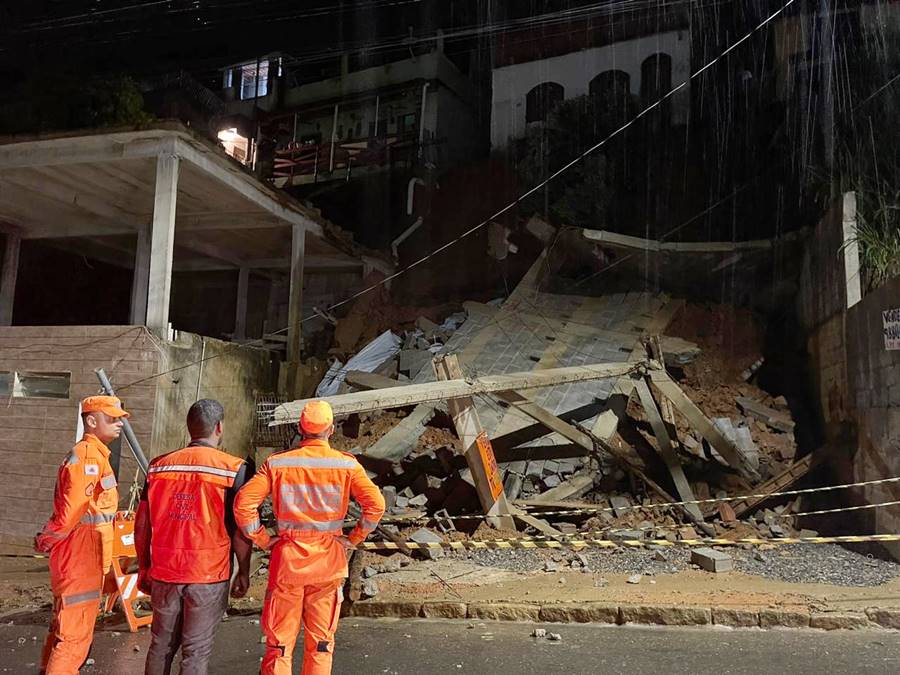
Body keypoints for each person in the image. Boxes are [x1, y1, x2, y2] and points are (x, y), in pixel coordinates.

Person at [234, 400, 385, 675]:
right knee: (321, 644)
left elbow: (243, 504)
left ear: (300, 429)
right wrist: (354, 538)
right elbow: (376, 506)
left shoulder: (277, 464)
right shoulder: (346, 466)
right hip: (328, 566)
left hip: (288, 564)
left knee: (279, 645)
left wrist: (263, 539)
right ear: (330, 429)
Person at [135, 399, 254, 675]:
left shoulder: (158, 467)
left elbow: (142, 525)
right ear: (219, 427)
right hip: (208, 576)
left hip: (165, 571)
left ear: (189, 428)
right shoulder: (234, 470)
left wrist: (144, 566)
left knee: (160, 645)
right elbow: (240, 530)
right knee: (195, 651)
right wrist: (244, 571)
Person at [35, 395, 128, 675]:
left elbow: (87, 509)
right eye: (111, 418)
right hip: (80, 557)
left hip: (80, 555)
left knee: (65, 627)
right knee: (75, 636)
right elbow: (71, 512)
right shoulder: (88, 456)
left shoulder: (94, 456)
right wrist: (46, 539)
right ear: (91, 420)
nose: (119, 423)